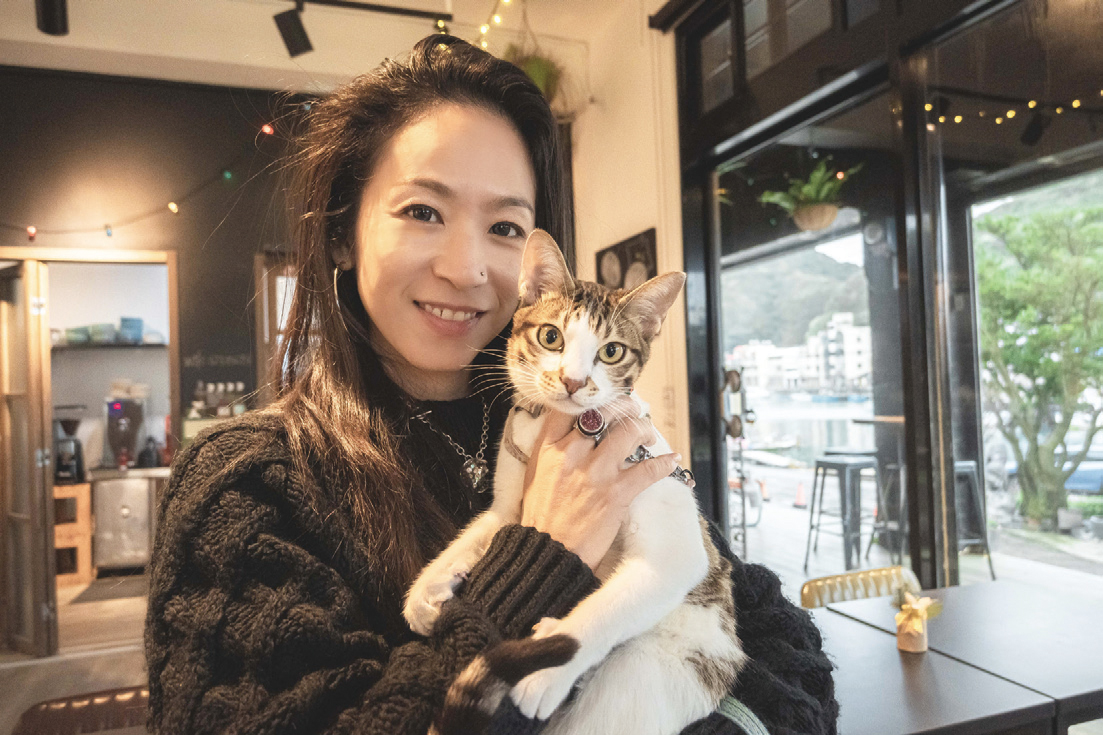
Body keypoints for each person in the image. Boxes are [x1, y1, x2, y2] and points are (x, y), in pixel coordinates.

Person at [145, 35, 838, 735]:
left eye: (505, 225)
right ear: (341, 234)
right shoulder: (249, 482)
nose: (467, 268)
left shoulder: (576, 423)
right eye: (423, 211)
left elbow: (781, 644)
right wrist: (539, 553)